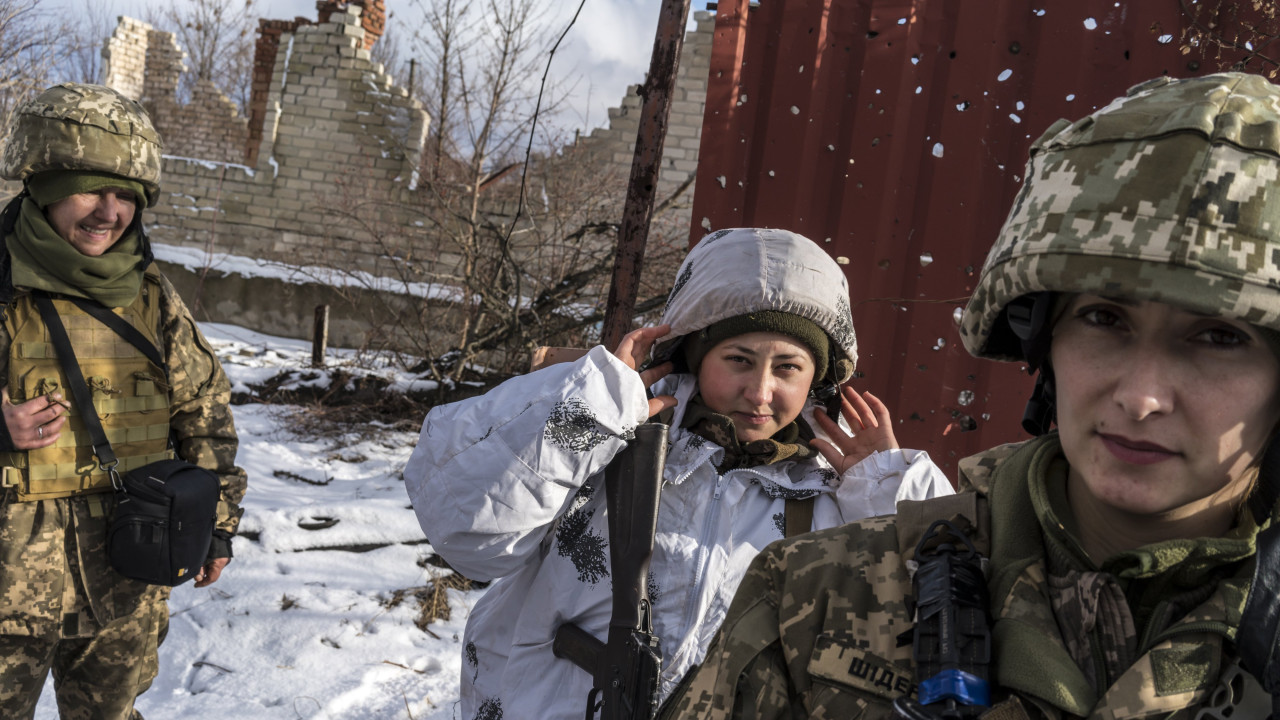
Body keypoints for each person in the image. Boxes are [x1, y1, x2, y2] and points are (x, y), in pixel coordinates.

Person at [662, 71, 1280, 719]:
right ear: (1044, 339)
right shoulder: (810, 599)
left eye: (1220, 338)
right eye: (1104, 319)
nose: (1142, 397)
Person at [404, 226, 954, 719]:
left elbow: (944, 627)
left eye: (788, 367)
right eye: (738, 360)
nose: (760, 392)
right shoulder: (610, 435)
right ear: (695, 354)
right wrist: (585, 410)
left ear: (817, 379)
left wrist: (892, 494)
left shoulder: (839, 493)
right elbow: (468, 533)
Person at [0, 83, 248, 719]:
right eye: (91, 189)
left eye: (128, 196)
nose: (109, 212)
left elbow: (204, 412)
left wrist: (217, 524)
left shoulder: (151, 293)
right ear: (47, 184)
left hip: (126, 572)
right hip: (7, 587)